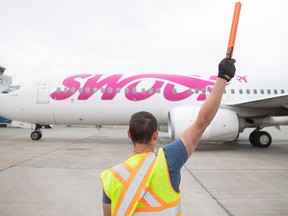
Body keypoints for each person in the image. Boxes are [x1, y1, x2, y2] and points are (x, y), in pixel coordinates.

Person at [100, 58, 236, 216]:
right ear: (155, 135)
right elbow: (202, 122)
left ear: (129, 134)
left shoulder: (110, 177)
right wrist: (223, 78)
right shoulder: (168, 160)